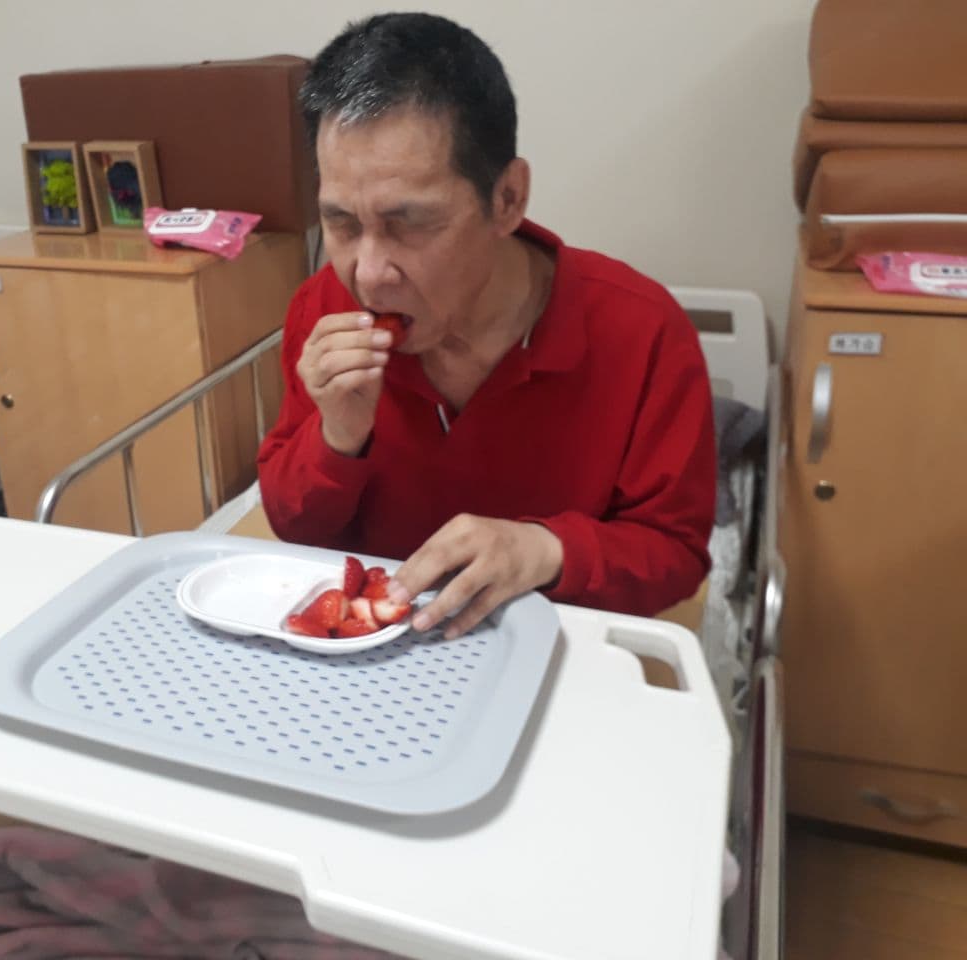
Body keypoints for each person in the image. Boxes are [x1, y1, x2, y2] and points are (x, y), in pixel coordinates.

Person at [257, 12, 716, 634]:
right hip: (373, 657)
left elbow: (675, 556)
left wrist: (548, 551)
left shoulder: (642, 332)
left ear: (507, 199)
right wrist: (338, 437)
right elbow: (293, 525)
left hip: (557, 646)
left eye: (409, 223)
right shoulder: (323, 308)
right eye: (341, 223)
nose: (368, 273)